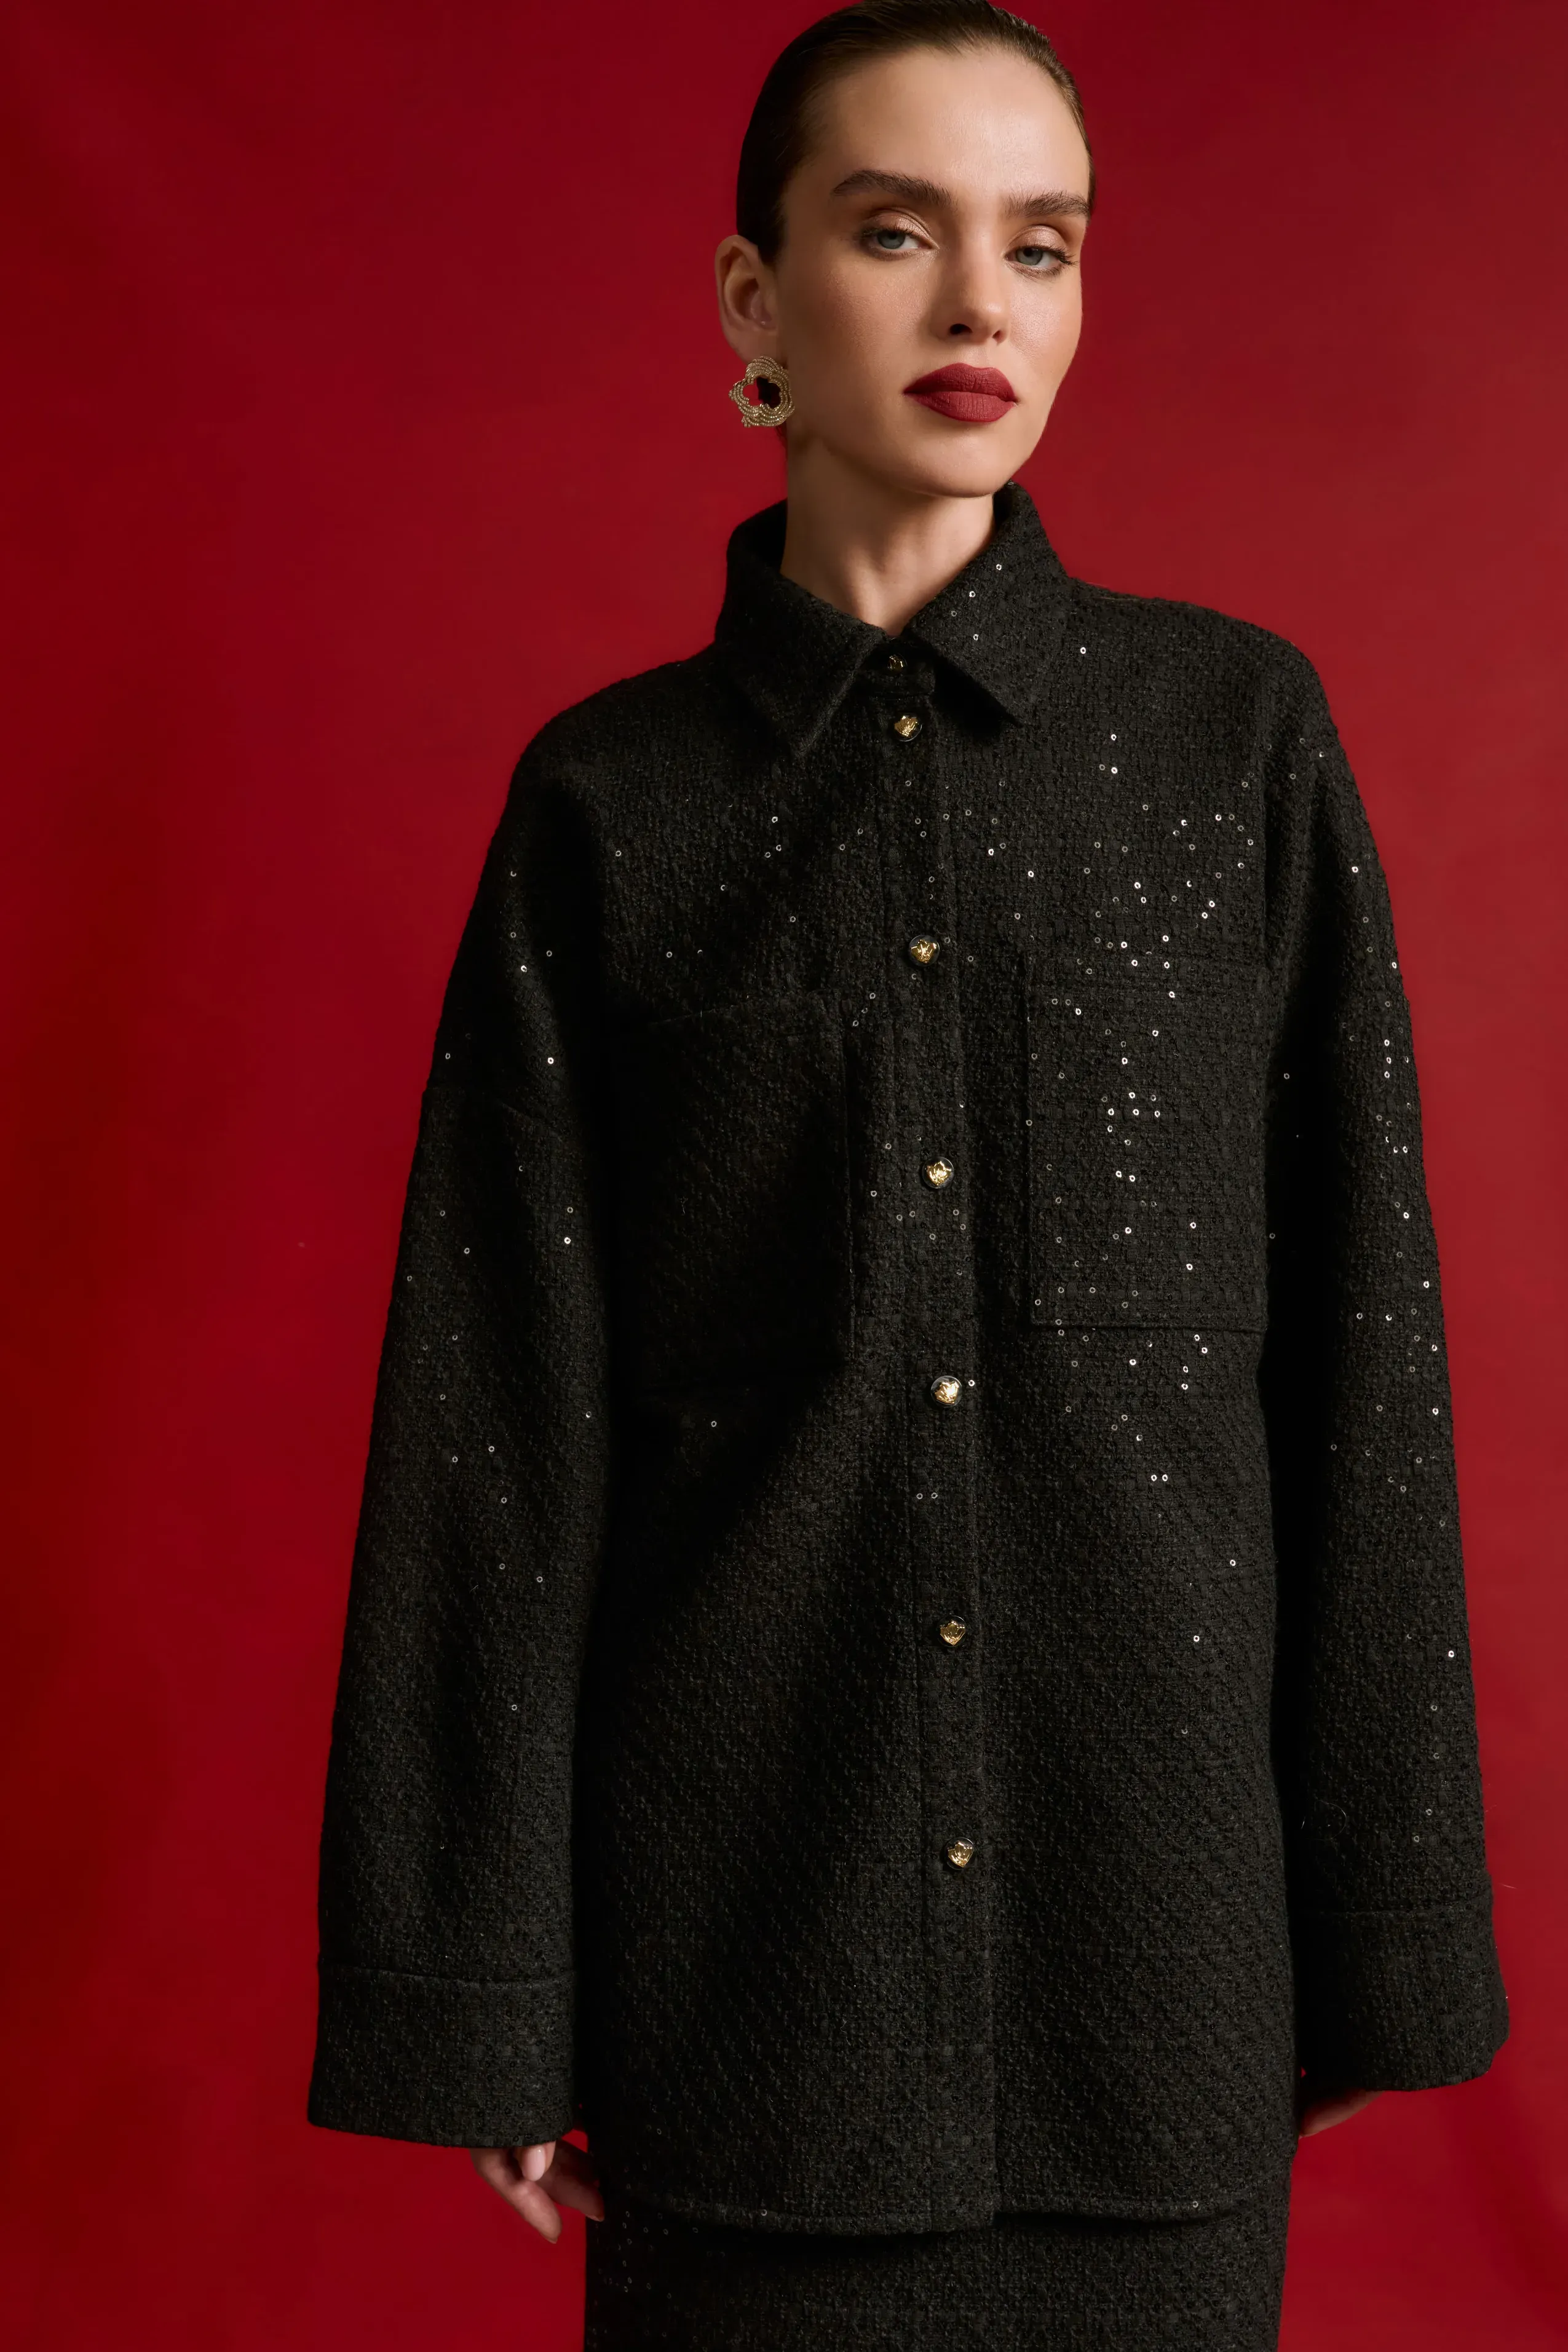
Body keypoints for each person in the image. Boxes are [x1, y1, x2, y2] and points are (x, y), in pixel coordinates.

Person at [306, 4, 1508, 2343]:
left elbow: (1362, 1361)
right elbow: (500, 1429)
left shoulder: (1234, 743)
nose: (982, 304)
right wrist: (487, 1989)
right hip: (742, 2002)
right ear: (753, 299)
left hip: (1156, 1997)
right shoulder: (610, 805)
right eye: (895, 231)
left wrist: (1379, 1933)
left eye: (1040, 244)